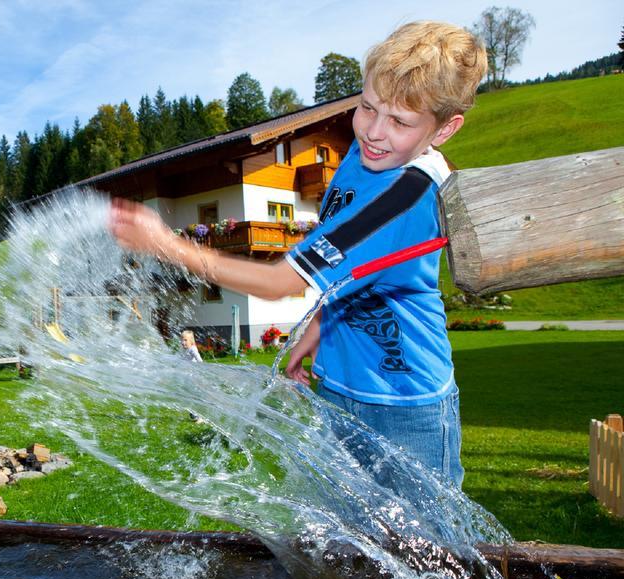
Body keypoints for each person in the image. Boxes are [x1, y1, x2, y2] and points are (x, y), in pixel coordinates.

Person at [108, 21, 487, 487]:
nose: (374, 132)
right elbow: (356, 268)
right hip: (338, 383)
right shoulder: (363, 156)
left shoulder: (402, 198)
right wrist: (318, 327)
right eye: (367, 107)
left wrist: (167, 246)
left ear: (444, 129)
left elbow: (280, 283)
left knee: (422, 552)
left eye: (401, 122)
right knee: (341, 544)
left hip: (405, 408)